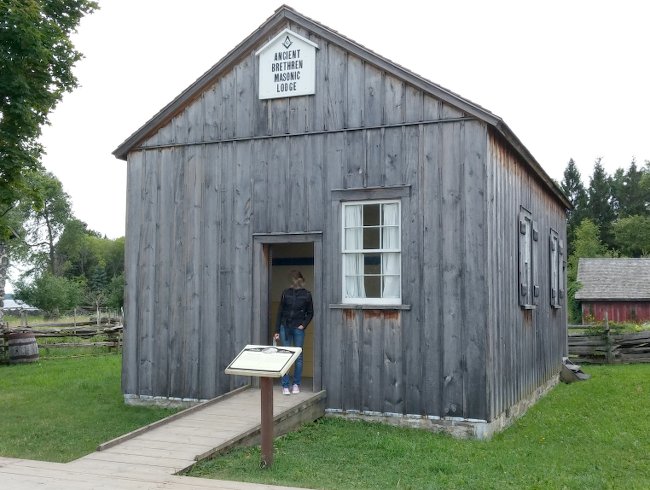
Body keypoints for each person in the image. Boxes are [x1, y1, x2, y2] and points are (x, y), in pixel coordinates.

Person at [273, 270, 313, 395]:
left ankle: (296, 384)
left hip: (298, 329)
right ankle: (285, 385)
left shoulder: (307, 295)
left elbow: (310, 312)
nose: (296, 282)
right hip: (285, 327)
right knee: (285, 355)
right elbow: (280, 312)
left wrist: (303, 325)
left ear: (301, 281)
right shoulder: (286, 293)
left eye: (297, 279)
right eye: (294, 279)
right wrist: (276, 330)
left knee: (298, 357)